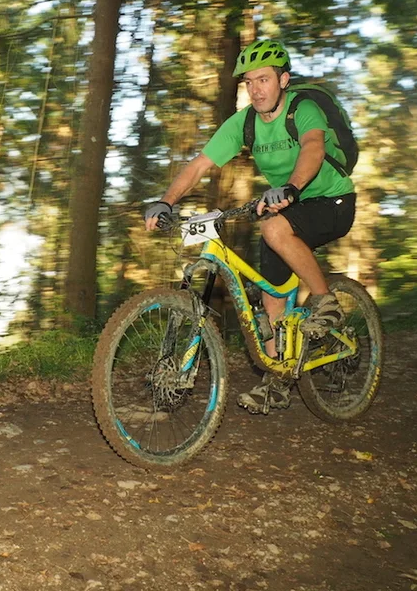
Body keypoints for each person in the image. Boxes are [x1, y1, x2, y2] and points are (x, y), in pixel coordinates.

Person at [143, 39, 356, 414]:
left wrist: (292, 187)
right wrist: (167, 201)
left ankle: (326, 302)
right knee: (271, 293)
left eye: (264, 79)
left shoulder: (302, 109)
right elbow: (199, 165)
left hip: (332, 201)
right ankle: (278, 379)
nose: (256, 90)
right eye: (249, 82)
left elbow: (313, 147)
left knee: (272, 229)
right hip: (286, 205)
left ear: (283, 80)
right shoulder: (244, 124)